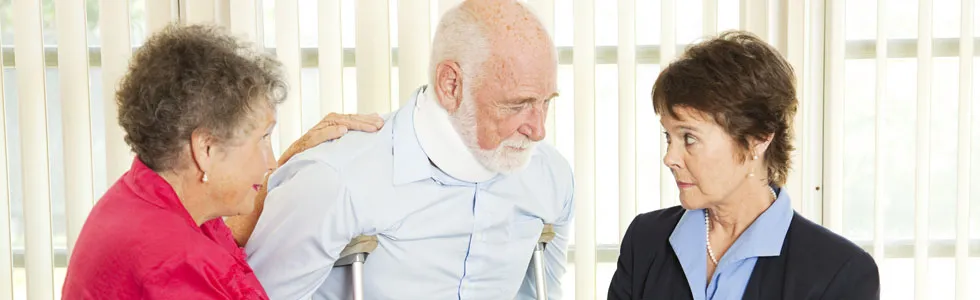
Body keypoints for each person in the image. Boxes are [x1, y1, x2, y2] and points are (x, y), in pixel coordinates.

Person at [229, 0, 573, 299]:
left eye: (546, 102)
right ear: (451, 85)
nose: (538, 129)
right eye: (517, 105)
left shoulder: (551, 179)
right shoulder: (333, 180)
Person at [61, 24, 383, 299]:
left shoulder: (156, 197)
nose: (269, 162)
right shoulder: (173, 262)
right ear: (207, 149)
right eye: (262, 139)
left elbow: (227, 246)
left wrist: (291, 162)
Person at [607, 31, 879, 299]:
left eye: (689, 138)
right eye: (669, 137)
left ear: (757, 139)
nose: (670, 158)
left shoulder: (839, 273)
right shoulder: (645, 240)